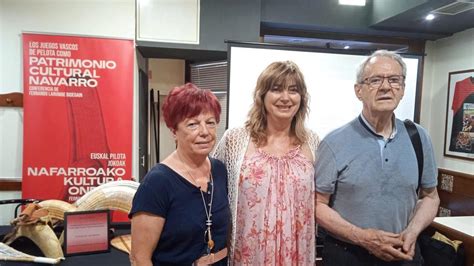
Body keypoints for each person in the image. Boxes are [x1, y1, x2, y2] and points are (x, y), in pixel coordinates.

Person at [314, 50, 440, 266]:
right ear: (359, 90)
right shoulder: (334, 142)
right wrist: (362, 237)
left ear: (402, 90)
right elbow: (317, 204)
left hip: (404, 253)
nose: (385, 87)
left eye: (394, 80)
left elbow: (431, 196)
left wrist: (413, 231)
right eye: (375, 80)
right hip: (348, 255)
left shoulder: (419, 138)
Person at [213, 61, 320, 264]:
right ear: (262, 95)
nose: (285, 98)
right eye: (276, 89)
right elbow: (212, 188)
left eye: (293, 90)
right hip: (249, 255)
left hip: (297, 255)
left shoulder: (313, 142)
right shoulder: (235, 140)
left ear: (302, 98)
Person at [129, 83, 230, 266]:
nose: (204, 132)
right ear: (174, 131)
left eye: (210, 123)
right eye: (193, 124)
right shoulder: (157, 183)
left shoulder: (220, 171)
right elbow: (139, 258)